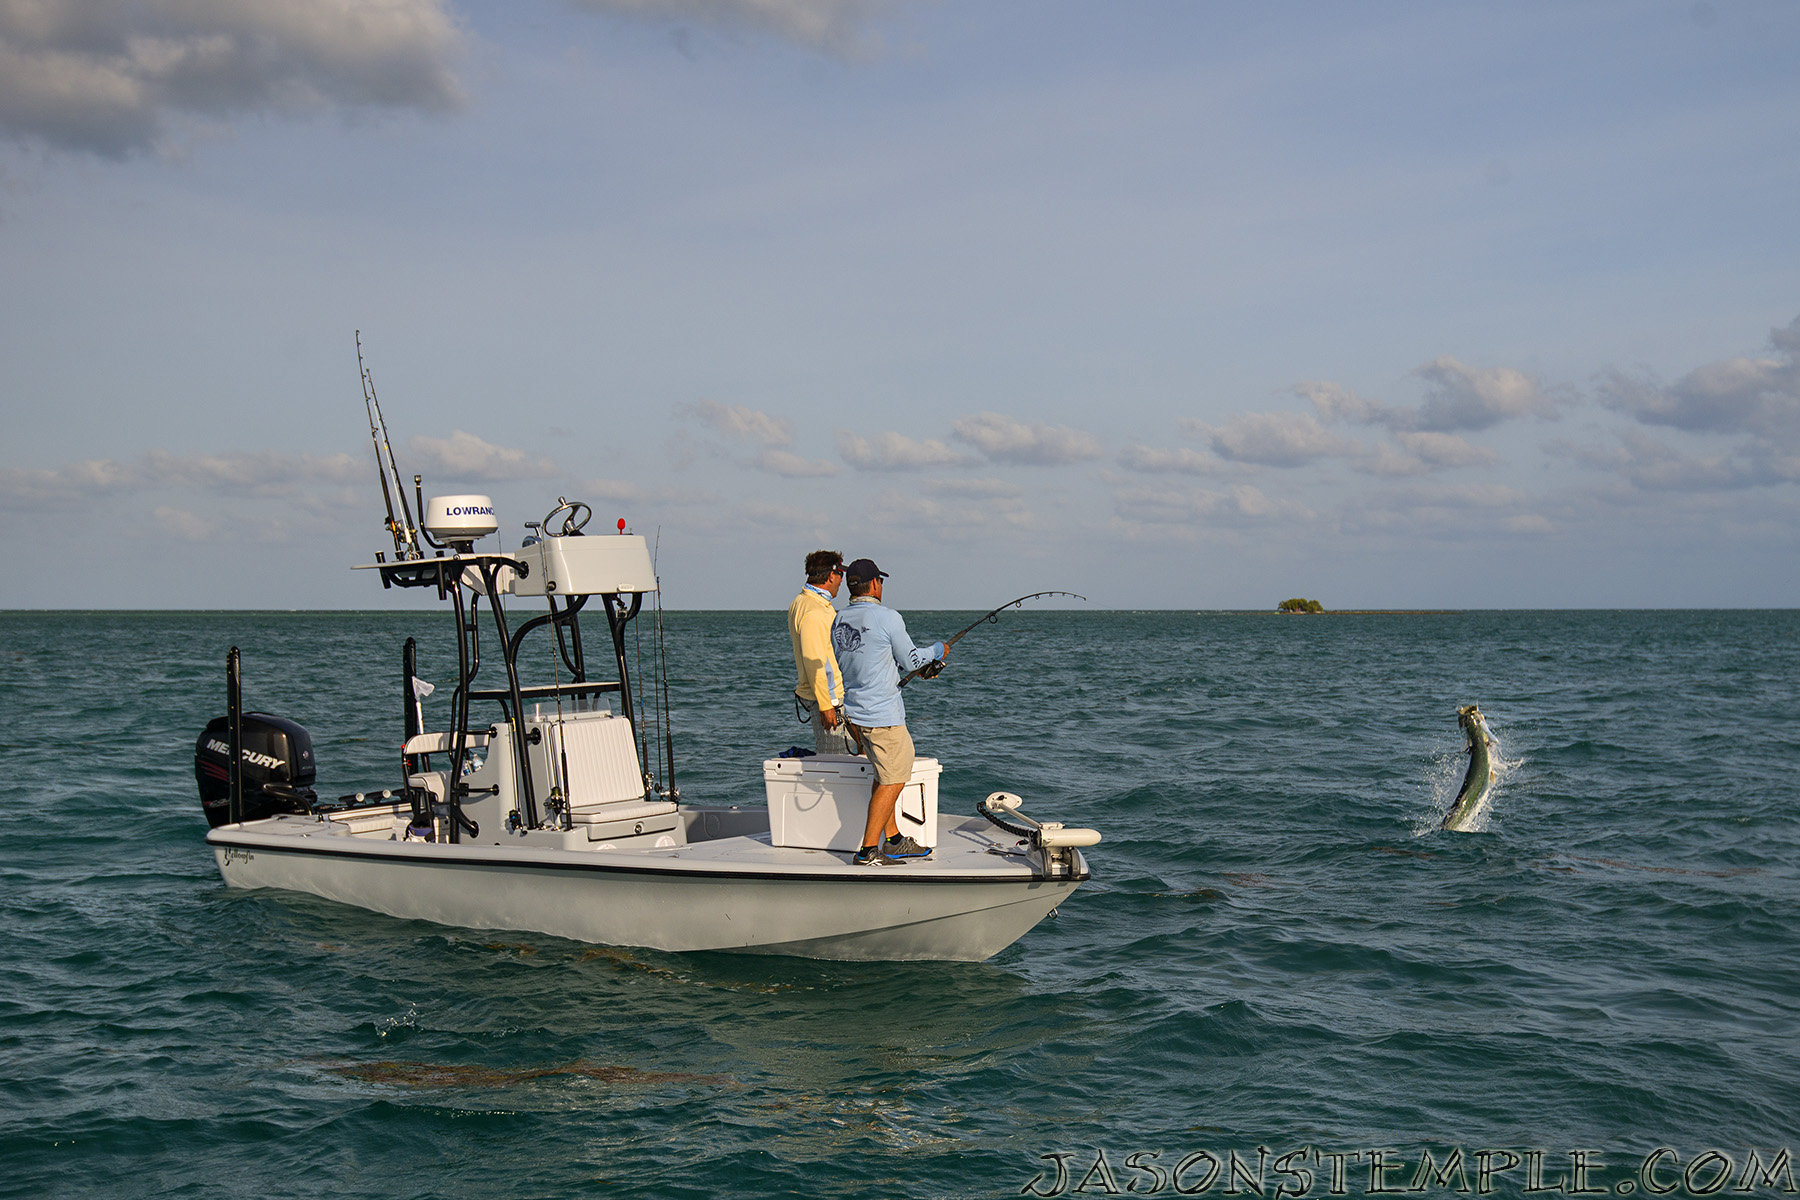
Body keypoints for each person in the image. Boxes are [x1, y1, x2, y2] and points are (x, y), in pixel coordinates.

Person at [831, 558, 946, 865]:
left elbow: (867, 659)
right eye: (881, 581)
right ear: (875, 584)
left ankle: (893, 839)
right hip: (883, 718)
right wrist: (937, 651)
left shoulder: (839, 619)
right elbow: (911, 660)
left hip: (856, 714)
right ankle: (868, 850)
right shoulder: (888, 617)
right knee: (894, 778)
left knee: (884, 775)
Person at [788, 550, 856, 755]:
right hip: (829, 699)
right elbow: (815, 661)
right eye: (840, 575)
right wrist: (827, 705)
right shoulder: (815, 611)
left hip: (823, 696)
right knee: (835, 760)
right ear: (830, 576)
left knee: (836, 759)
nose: (841, 582)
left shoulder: (801, 602)